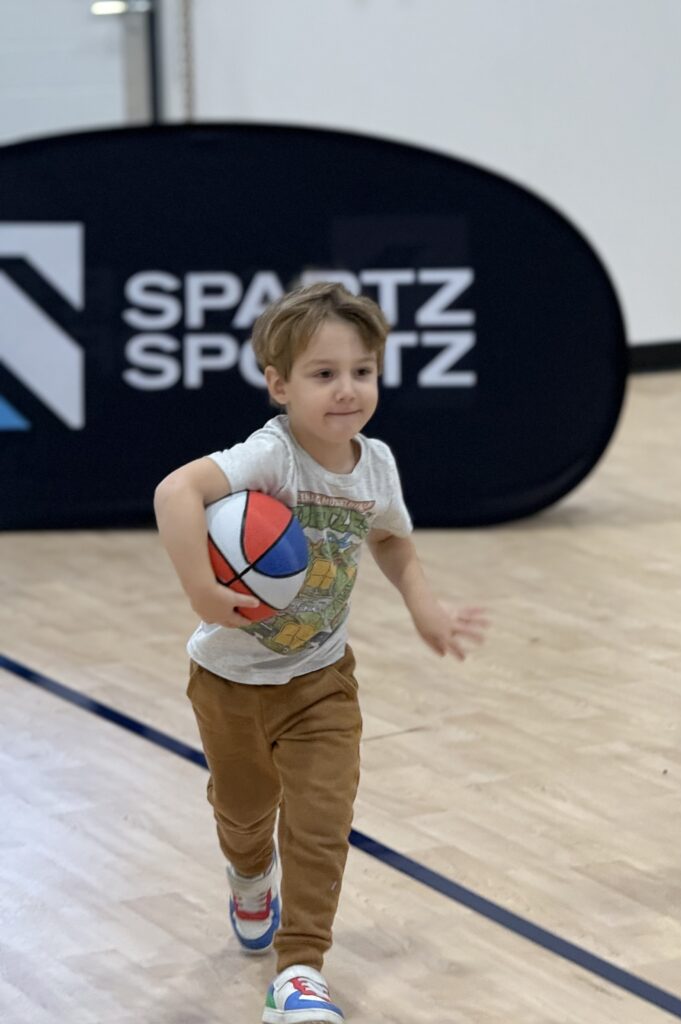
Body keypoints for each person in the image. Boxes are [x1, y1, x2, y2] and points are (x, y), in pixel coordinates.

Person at [154, 282, 486, 1024]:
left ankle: (299, 969)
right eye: (324, 374)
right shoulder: (271, 457)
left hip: (321, 682)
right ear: (279, 385)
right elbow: (176, 492)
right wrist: (204, 591)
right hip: (228, 680)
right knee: (244, 816)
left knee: (323, 818)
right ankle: (249, 877)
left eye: (362, 371)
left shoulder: (375, 466)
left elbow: (392, 536)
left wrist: (423, 606)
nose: (347, 391)